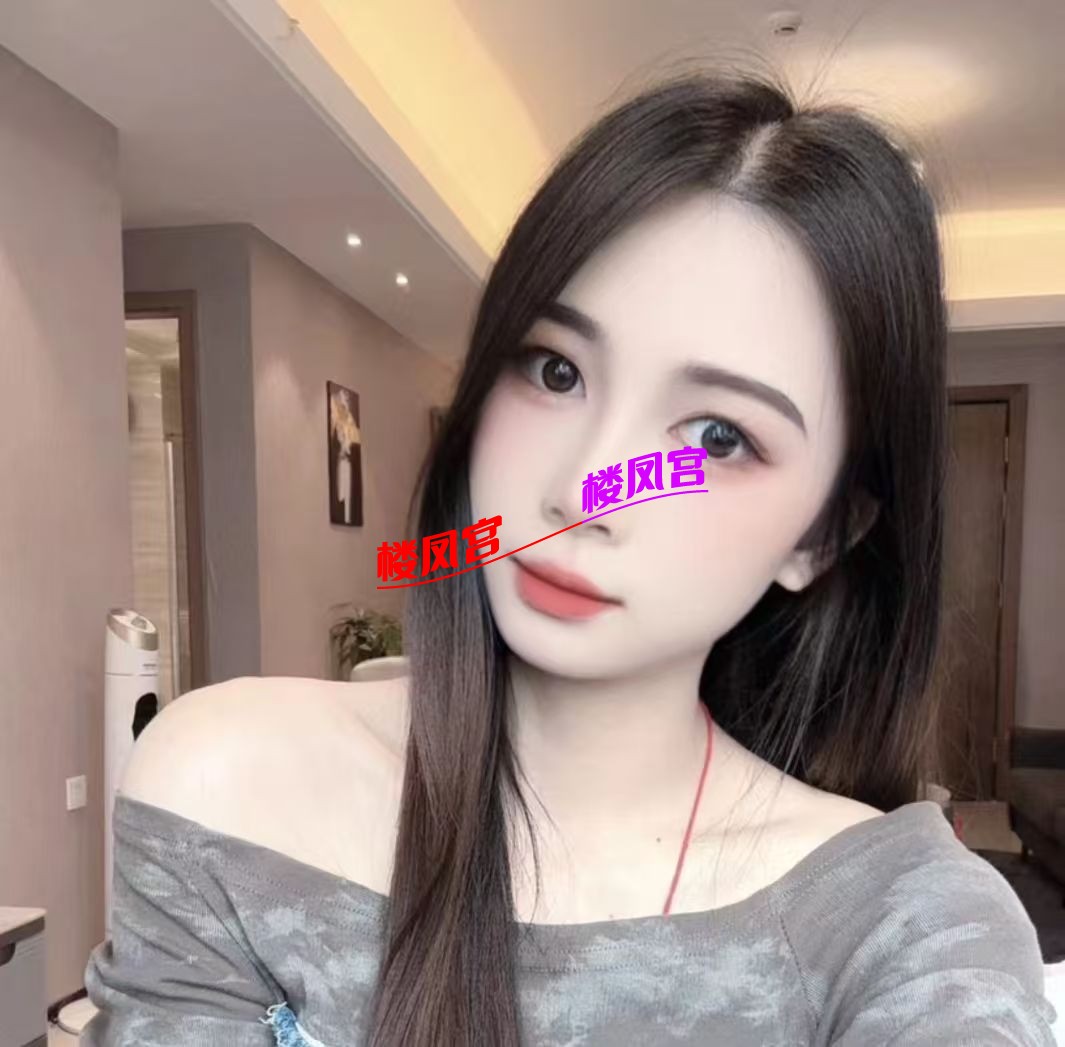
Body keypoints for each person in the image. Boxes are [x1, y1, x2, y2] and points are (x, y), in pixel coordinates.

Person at [81, 65, 1058, 1046]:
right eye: (556, 371)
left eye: (717, 437)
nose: (586, 489)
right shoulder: (228, 786)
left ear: (821, 536)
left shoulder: (904, 925)